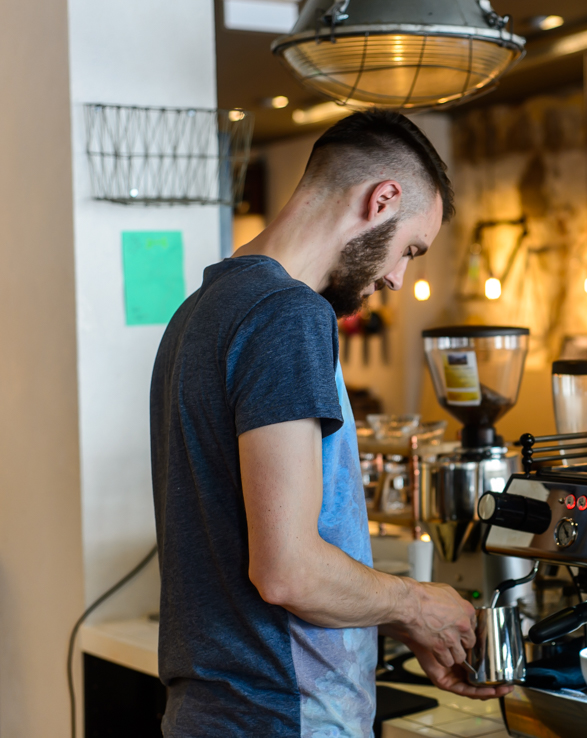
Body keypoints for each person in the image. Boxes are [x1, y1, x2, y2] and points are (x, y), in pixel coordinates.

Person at [149, 111, 511, 737]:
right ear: (382, 200)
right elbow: (287, 568)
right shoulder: (288, 314)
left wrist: (395, 622)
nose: (398, 276)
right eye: (410, 249)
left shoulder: (199, 311)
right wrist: (417, 604)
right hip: (279, 716)